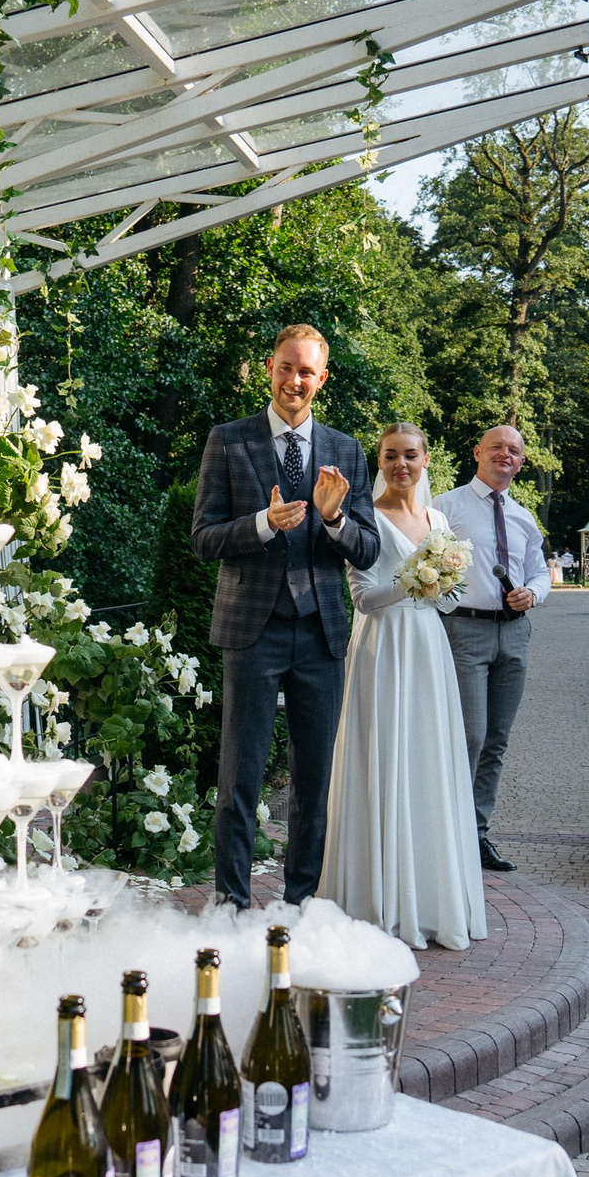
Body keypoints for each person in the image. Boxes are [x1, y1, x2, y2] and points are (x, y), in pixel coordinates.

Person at [195, 326, 382, 908]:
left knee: (312, 783)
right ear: (268, 368)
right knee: (241, 777)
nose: (294, 380)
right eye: (286, 367)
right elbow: (202, 539)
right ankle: (230, 901)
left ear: (322, 380)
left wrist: (333, 521)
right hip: (253, 631)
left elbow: (369, 548)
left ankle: (301, 902)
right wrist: (260, 524)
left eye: (307, 372)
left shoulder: (347, 450)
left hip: (322, 632)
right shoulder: (229, 441)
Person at [319, 424, 486, 948]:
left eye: (410, 455)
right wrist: (415, 578)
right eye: (390, 456)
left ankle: (431, 898)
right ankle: (377, 899)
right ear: (380, 460)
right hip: (381, 649)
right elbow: (365, 598)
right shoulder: (365, 516)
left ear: (426, 457)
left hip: (428, 649)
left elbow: (450, 602)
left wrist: (442, 582)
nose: (401, 465)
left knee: (427, 761)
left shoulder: (437, 519)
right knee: (384, 757)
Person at [435, 425, 552, 873]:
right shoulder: (446, 508)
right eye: (498, 447)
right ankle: (450, 837)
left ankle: (477, 834)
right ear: (478, 452)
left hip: (514, 634)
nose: (506, 454)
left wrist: (533, 594)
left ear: (522, 462)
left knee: (497, 741)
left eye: (515, 450)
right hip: (465, 631)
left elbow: (539, 573)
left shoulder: (524, 516)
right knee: (469, 737)